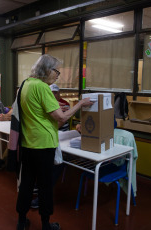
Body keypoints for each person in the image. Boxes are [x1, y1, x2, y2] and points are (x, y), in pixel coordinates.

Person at [15, 54, 94, 230]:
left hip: (28, 143)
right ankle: (45, 224)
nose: (58, 75)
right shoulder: (43, 88)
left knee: (27, 182)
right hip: (43, 145)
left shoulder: (25, 84)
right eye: (57, 71)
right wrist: (80, 104)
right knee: (45, 185)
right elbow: (61, 117)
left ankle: (21, 221)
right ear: (47, 70)